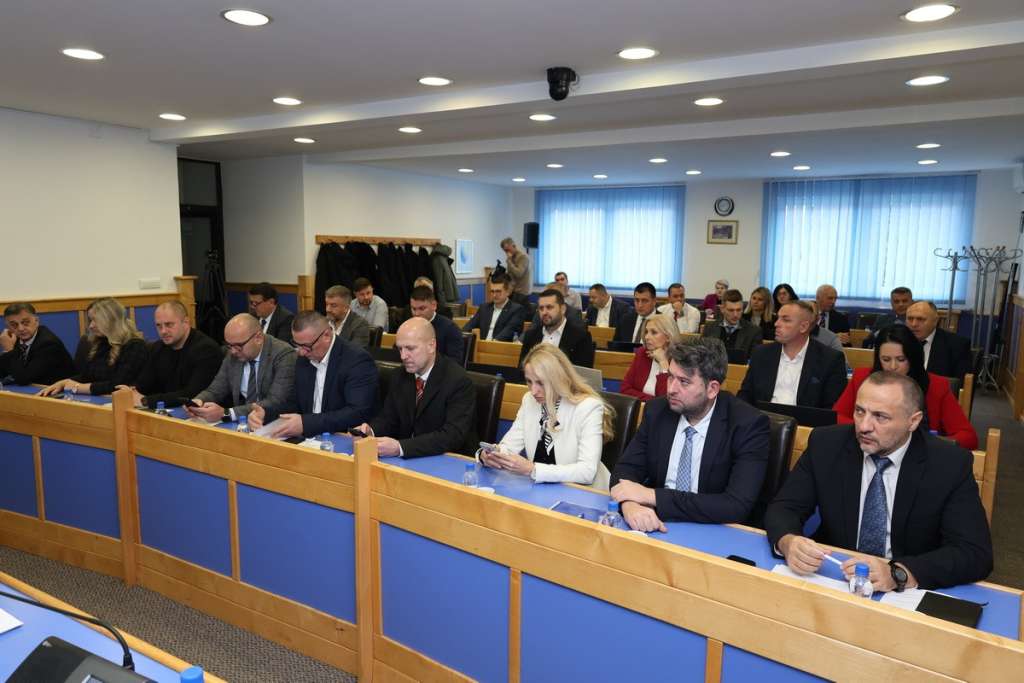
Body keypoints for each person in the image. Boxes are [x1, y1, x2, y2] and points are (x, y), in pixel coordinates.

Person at [765, 371, 993, 591]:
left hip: (906, 592)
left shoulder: (949, 464)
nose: (864, 426)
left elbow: (974, 553)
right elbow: (784, 507)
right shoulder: (827, 444)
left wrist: (898, 573)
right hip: (835, 576)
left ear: (913, 421)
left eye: (880, 417)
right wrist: (788, 542)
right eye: (859, 411)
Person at [610, 337, 770, 529]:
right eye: (671, 377)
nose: (671, 389)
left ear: (712, 389)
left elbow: (736, 505)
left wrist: (651, 496)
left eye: (684, 382)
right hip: (656, 523)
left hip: (714, 530)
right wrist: (630, 504)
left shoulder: (748, 424)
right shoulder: (657, 410)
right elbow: (624, 470)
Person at [480, 345, 616, 489]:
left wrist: (533, 469)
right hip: (543, 489)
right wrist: (491, 455)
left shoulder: (588, 407)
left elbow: (587, 472)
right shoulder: (529, 400)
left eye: (540, 383)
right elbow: (509, 447)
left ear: (558, 379)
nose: (533, 391)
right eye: (529, 381)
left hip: (586, 492)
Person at [833, 325, 977, 450]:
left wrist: (928, 443)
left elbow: (968, 437)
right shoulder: (862, 378)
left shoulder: (937, 386)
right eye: (886, 359)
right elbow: (836, 418)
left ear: (912, 359)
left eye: (901, 359)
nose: (893, 366)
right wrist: (869, 431)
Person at [355, 317, 477, 457]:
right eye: (400, 349)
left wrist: (401, 447)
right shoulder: (399, 375)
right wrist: (371, 431)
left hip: (447, 460)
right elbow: (389, 419)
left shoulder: (458, 380)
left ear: (431, 346)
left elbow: (452, 436)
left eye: (410, 348)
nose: (403, 356)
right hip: (408, 459)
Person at [249, 311, 377, 439]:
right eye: (297, 345)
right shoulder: (304, 358)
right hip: (308, 439)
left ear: (326, 335)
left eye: (306, 346)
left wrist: (306, 423)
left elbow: (357, 413)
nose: (301, 352)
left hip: (342, 438)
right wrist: (266, 413)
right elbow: (295, 404)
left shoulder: (356, 360)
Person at [187, 314, 296, 423]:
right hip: (243, 422)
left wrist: (227, 413)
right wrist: (198, 401)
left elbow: (275, 401)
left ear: (258, 338)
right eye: (229, 345)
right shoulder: (233, 354)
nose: (233, 351)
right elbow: (215, 390)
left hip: (272, 422)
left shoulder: (283, 355)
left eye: (238, 346)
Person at [738, 300, 847, 408]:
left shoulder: (830, 359)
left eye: (785, 320)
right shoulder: (761, 353)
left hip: (804, 419)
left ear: (803, 327)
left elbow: (831, 407)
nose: (776, 324)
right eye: (778, 318)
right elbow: (745, 394)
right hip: (762, 416)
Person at [39, 298, 148, 397]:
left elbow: (117, 385)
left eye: (95, 320)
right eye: (90, 320)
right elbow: (87, 376)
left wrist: (77, 387)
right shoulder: (101, 342)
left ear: (110, 320)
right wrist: (63, 383)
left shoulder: (135, 346)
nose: (91, 326)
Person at [124, 301, 222, 408]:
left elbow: (192, 394)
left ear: (186, 322)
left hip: (197, 412)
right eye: (159, 326)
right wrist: (130, 392)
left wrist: (147, 401)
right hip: (165, 410)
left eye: (169, 325)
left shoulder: (206, 350)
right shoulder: (157, 348)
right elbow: (144, 385)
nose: (163, 331)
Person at [0, 302, 75, 386]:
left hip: (59, 391)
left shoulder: (48, 344)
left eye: (25, 322)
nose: (20, 328)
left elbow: (23, 379)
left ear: (36, 321)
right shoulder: (14, 339)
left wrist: (9, 350)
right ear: (8, 327)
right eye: (14, 325)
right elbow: (3, 372)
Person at [519, 288, 595, 368]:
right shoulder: (531, 335)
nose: (544, 312)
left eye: (549, 307)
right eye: (541, 308)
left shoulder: (580, 337)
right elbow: (522, 368)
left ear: (563, 309)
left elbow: (583, 373)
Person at [620, 313, 682, 401]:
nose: (646, 337)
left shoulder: (680, 360)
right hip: (641, 407)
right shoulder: (642, 353)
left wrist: (663, 363)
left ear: (668, 337)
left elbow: (667, 400)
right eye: (646, 332)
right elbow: (624, 389)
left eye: (654, 332)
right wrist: (652, 401)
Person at [905, 301, 971, 381]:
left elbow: (959, 384)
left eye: (920, 319)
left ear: (935, 321)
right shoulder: (899, 341)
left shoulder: (957, 345)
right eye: (910, 319)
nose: (914, 324)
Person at [702, 289, 764, 359]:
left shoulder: (754, 331)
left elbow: (755, 360)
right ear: (722, 309)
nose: (735, 315)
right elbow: (702, 355)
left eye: (739, 310)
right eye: (731, 310)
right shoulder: (709, 328)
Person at [462, 274, 526, 341]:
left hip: (500, 346)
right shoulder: (484, 308)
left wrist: (492, 343)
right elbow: (468, 327)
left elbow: (508, 331)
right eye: (492, 291)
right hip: (481, 344)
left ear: (508, 292)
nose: (494, 295)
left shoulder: (517, 310)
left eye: (498, 291)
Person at [409, 285, 464, 363]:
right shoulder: (408, 326)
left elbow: (454, 362)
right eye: (414, 309)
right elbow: (397, 354)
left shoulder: (450, 329)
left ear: (434, 305)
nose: (417, 314)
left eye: (422, 308)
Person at [501, 237, 532, 307]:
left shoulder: (523, 257)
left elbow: (519, 274)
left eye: (508, 250)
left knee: (517, 312)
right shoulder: (511, 258)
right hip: (512, 291)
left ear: (514, 246)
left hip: (521, 292)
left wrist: (509, 261)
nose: (507, 253)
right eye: (505, 251)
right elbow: (511, 275)